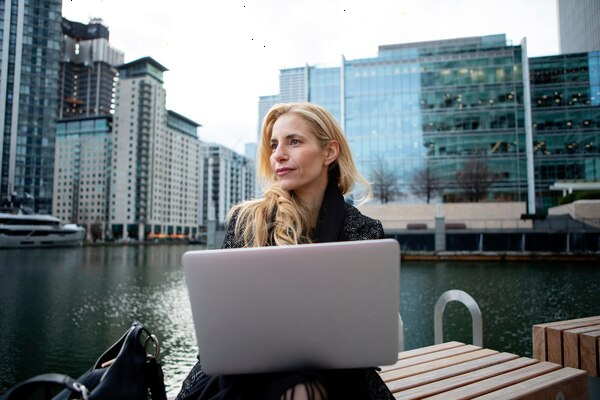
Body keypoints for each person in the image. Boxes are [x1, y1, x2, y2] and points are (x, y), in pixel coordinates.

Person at [176, 102, 394, 400]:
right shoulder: (247, 221)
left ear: (329, 152)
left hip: (337, 373)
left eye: (294, 141)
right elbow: (224, 326)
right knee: (295, 387)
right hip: (246, 371)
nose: (278, 154)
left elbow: (366, 336)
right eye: (274, 144)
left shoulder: (364, 230)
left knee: (302, 386)